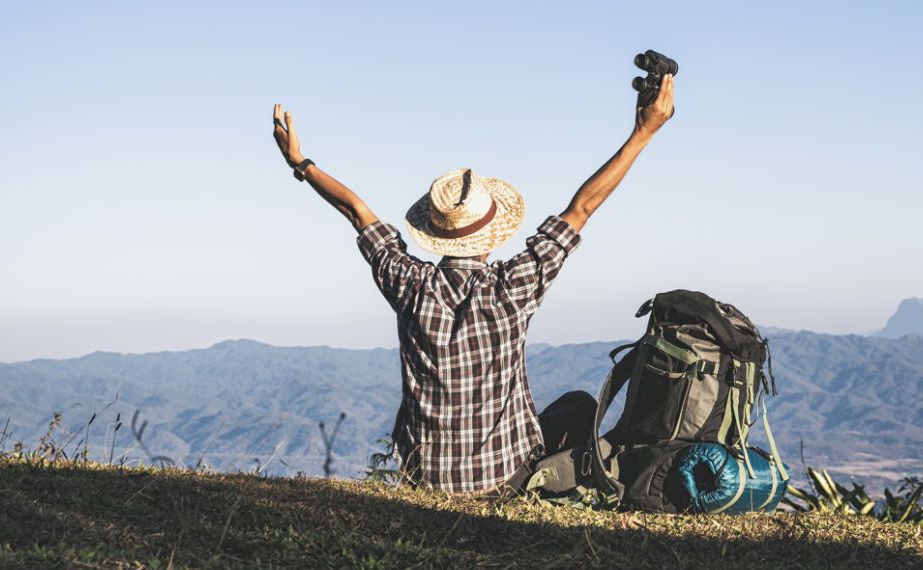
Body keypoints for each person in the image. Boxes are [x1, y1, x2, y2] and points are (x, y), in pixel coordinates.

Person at [271, 73, 675, 495]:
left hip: (423, 477)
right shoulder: (513, 286)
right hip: (505, 479)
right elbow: (583, 207)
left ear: (437, 232)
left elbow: (356, 211)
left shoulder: (407, 282)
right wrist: (642, 133)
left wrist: (300, 162)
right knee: (579, 406)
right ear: (493, 232)